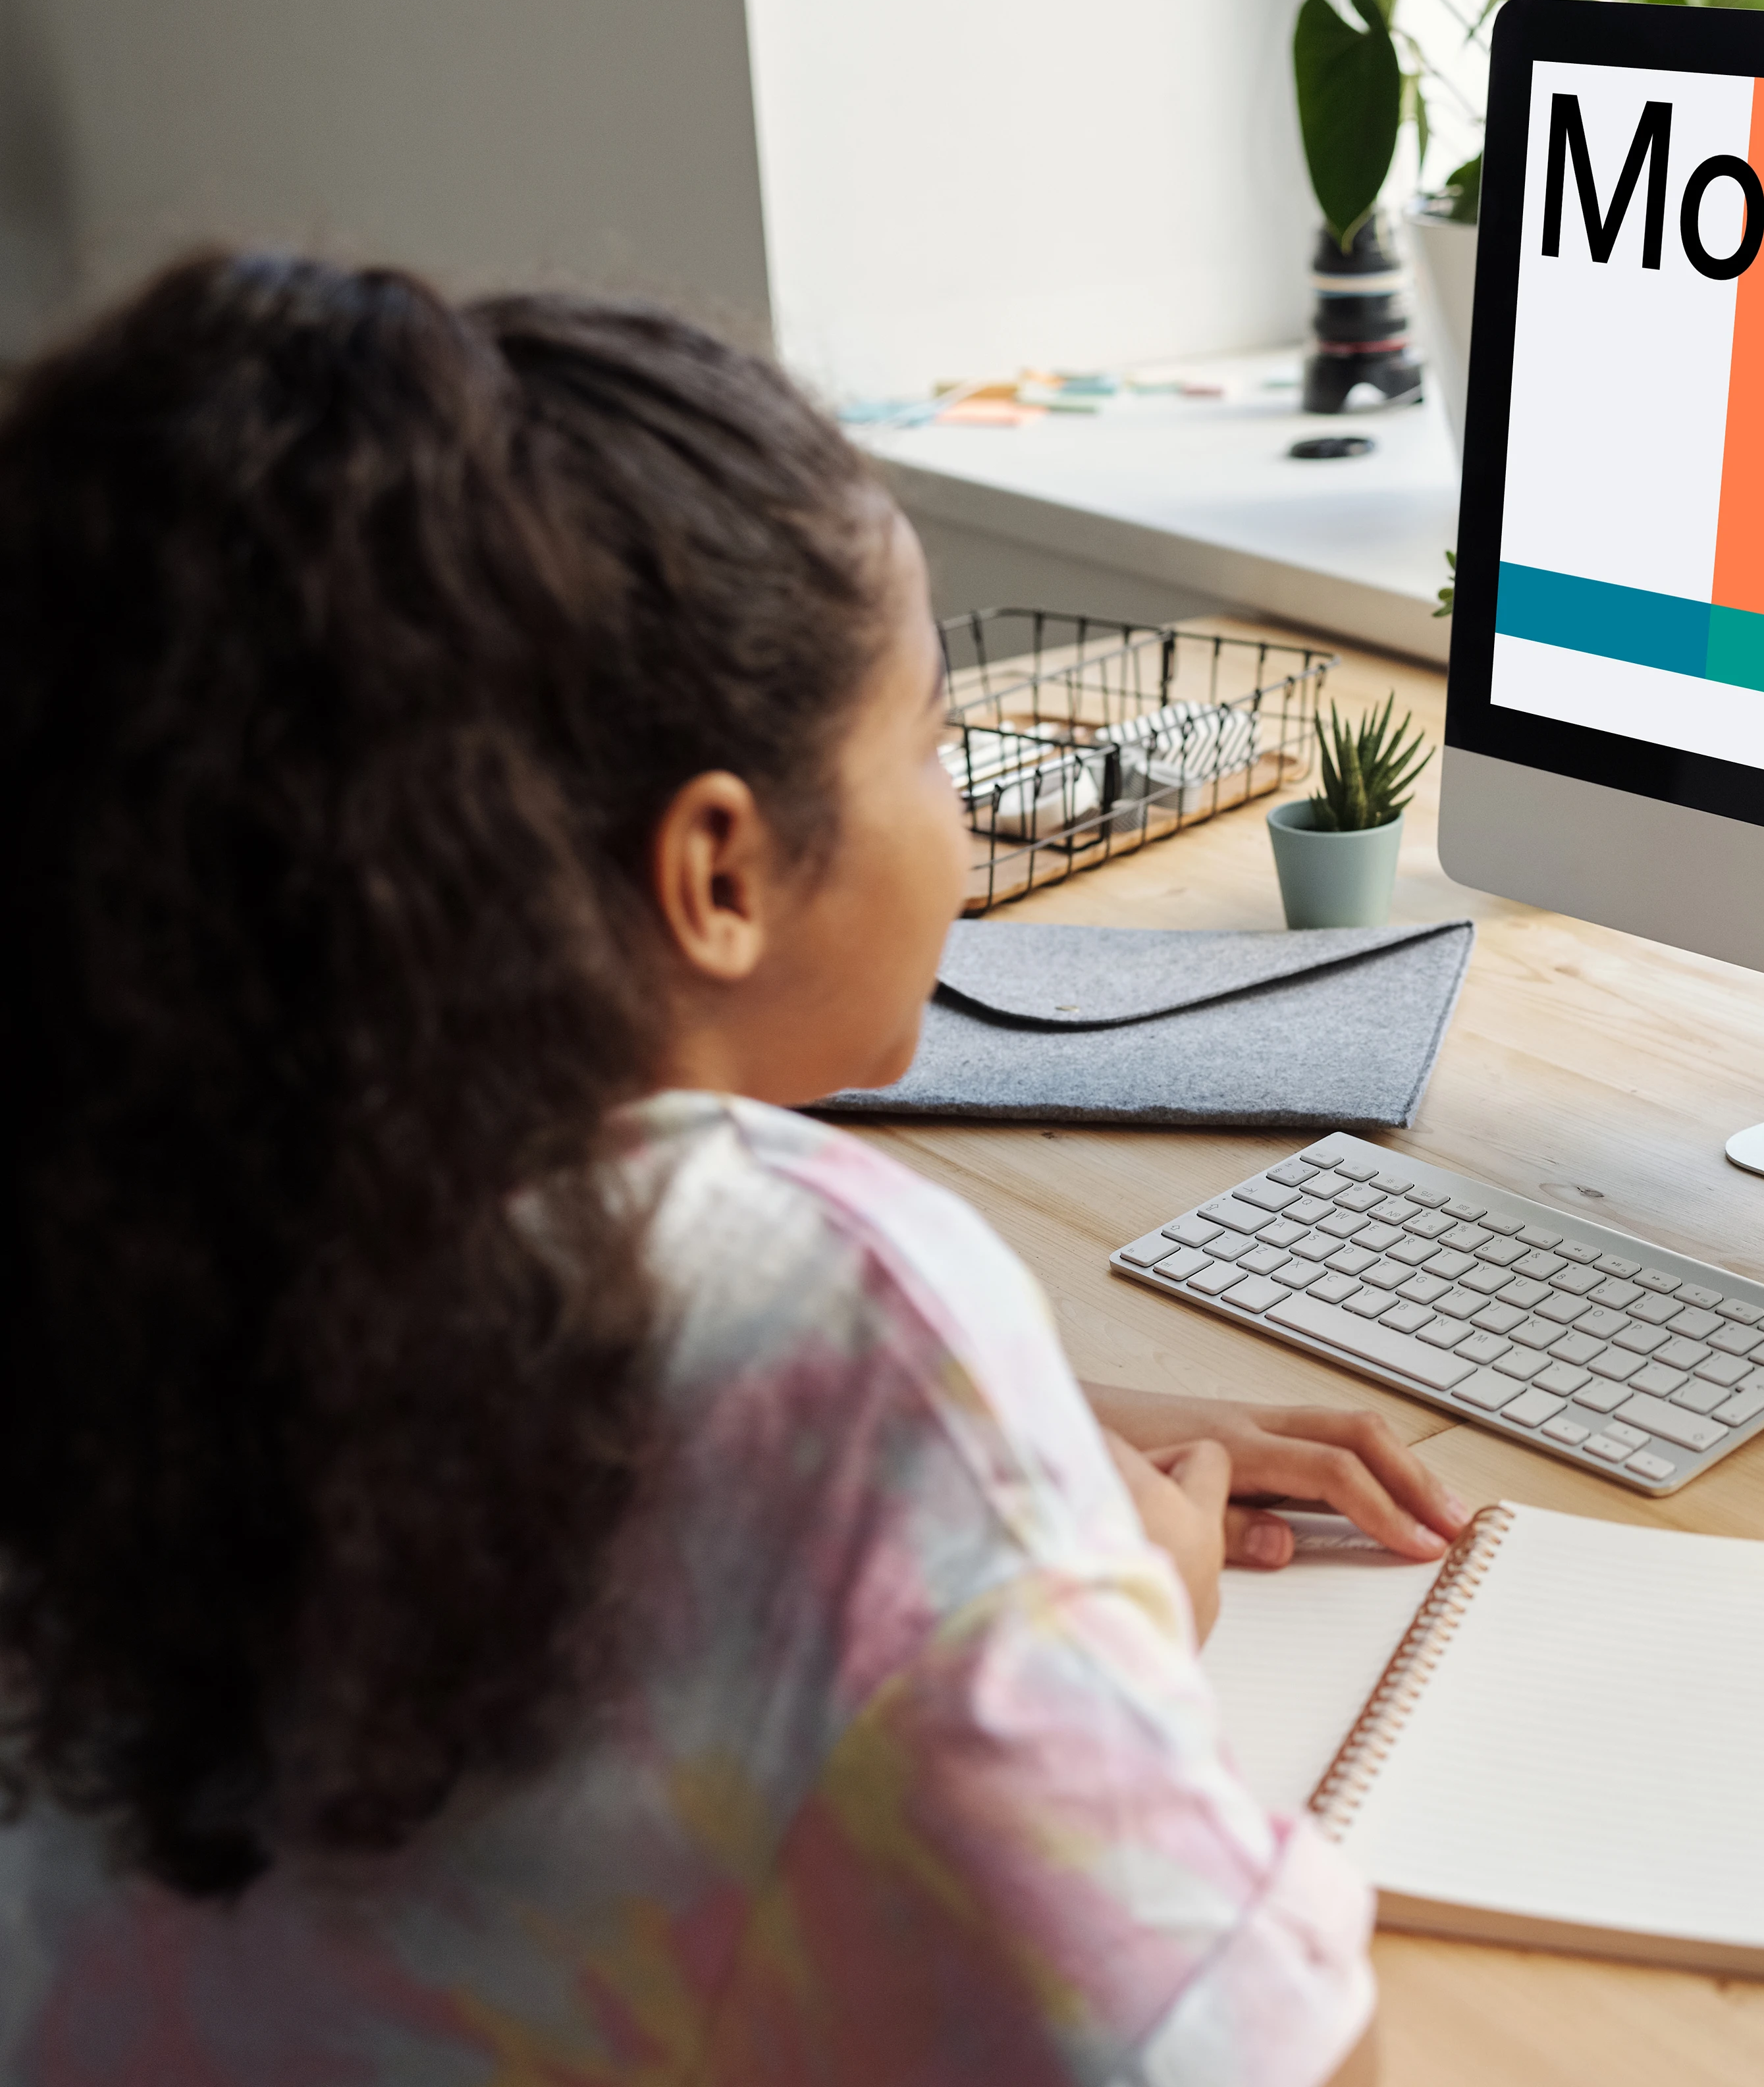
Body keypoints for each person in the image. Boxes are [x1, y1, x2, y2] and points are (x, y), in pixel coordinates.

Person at [0, 252, 1471, 2084]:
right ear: (717, 872)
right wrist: (1128, 1612)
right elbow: (1269, 2062)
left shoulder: (135, 1212)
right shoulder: (836, 1308)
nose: (955, 800)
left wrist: (1026, 1438)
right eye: (934, 739)